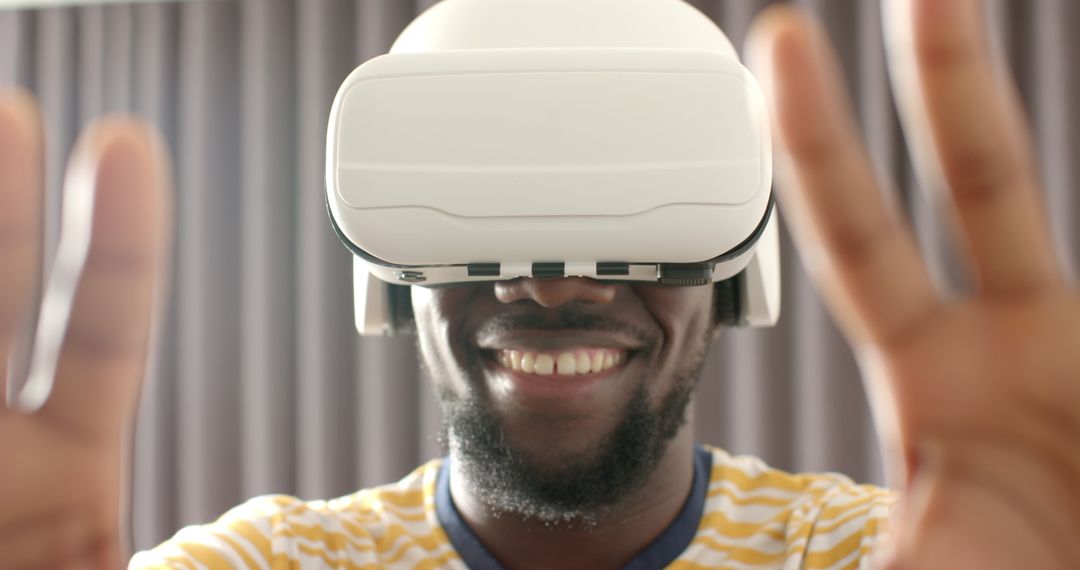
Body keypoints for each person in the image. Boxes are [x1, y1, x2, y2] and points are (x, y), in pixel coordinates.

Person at [0, 0, 1077, 568]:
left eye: (633, 215)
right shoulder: (274, 567)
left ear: (738, 275)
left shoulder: (883, 557)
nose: (555, 283)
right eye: (485, 214)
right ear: (388, 280)